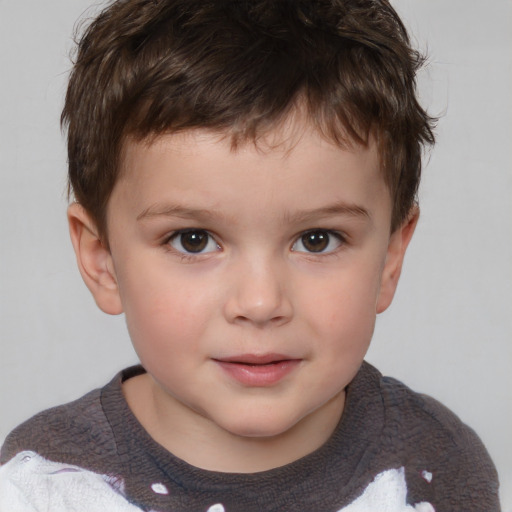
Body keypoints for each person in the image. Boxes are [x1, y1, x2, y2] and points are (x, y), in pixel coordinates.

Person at [0, 0, 500, 510]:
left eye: (317, 239)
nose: (261, 303)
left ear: (390, 258)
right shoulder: (43, 482)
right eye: (193, 240)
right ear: (101, 257)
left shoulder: (437, 464)